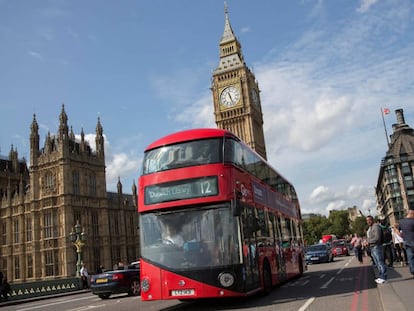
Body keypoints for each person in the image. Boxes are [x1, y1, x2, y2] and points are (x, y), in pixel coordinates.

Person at [365, 215, 387, 284]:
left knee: (380, 262)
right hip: (373, 247)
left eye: (369, 220)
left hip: (377, 246)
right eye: (367, 220)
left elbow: (377, 238)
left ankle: (384, 277)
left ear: (372, 220)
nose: (368, 221)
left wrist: (368, 242)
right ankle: (381, 276)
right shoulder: (371, 227)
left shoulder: (376, 227)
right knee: (377, 263)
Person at [399, 209, 414, 277]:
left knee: (410, 256)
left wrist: (403, 236)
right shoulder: (413, 221)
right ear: (411, 214)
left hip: (406, 241)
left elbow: (399, 231)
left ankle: (412, 270)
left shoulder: (401, 222)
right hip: (412, 240)